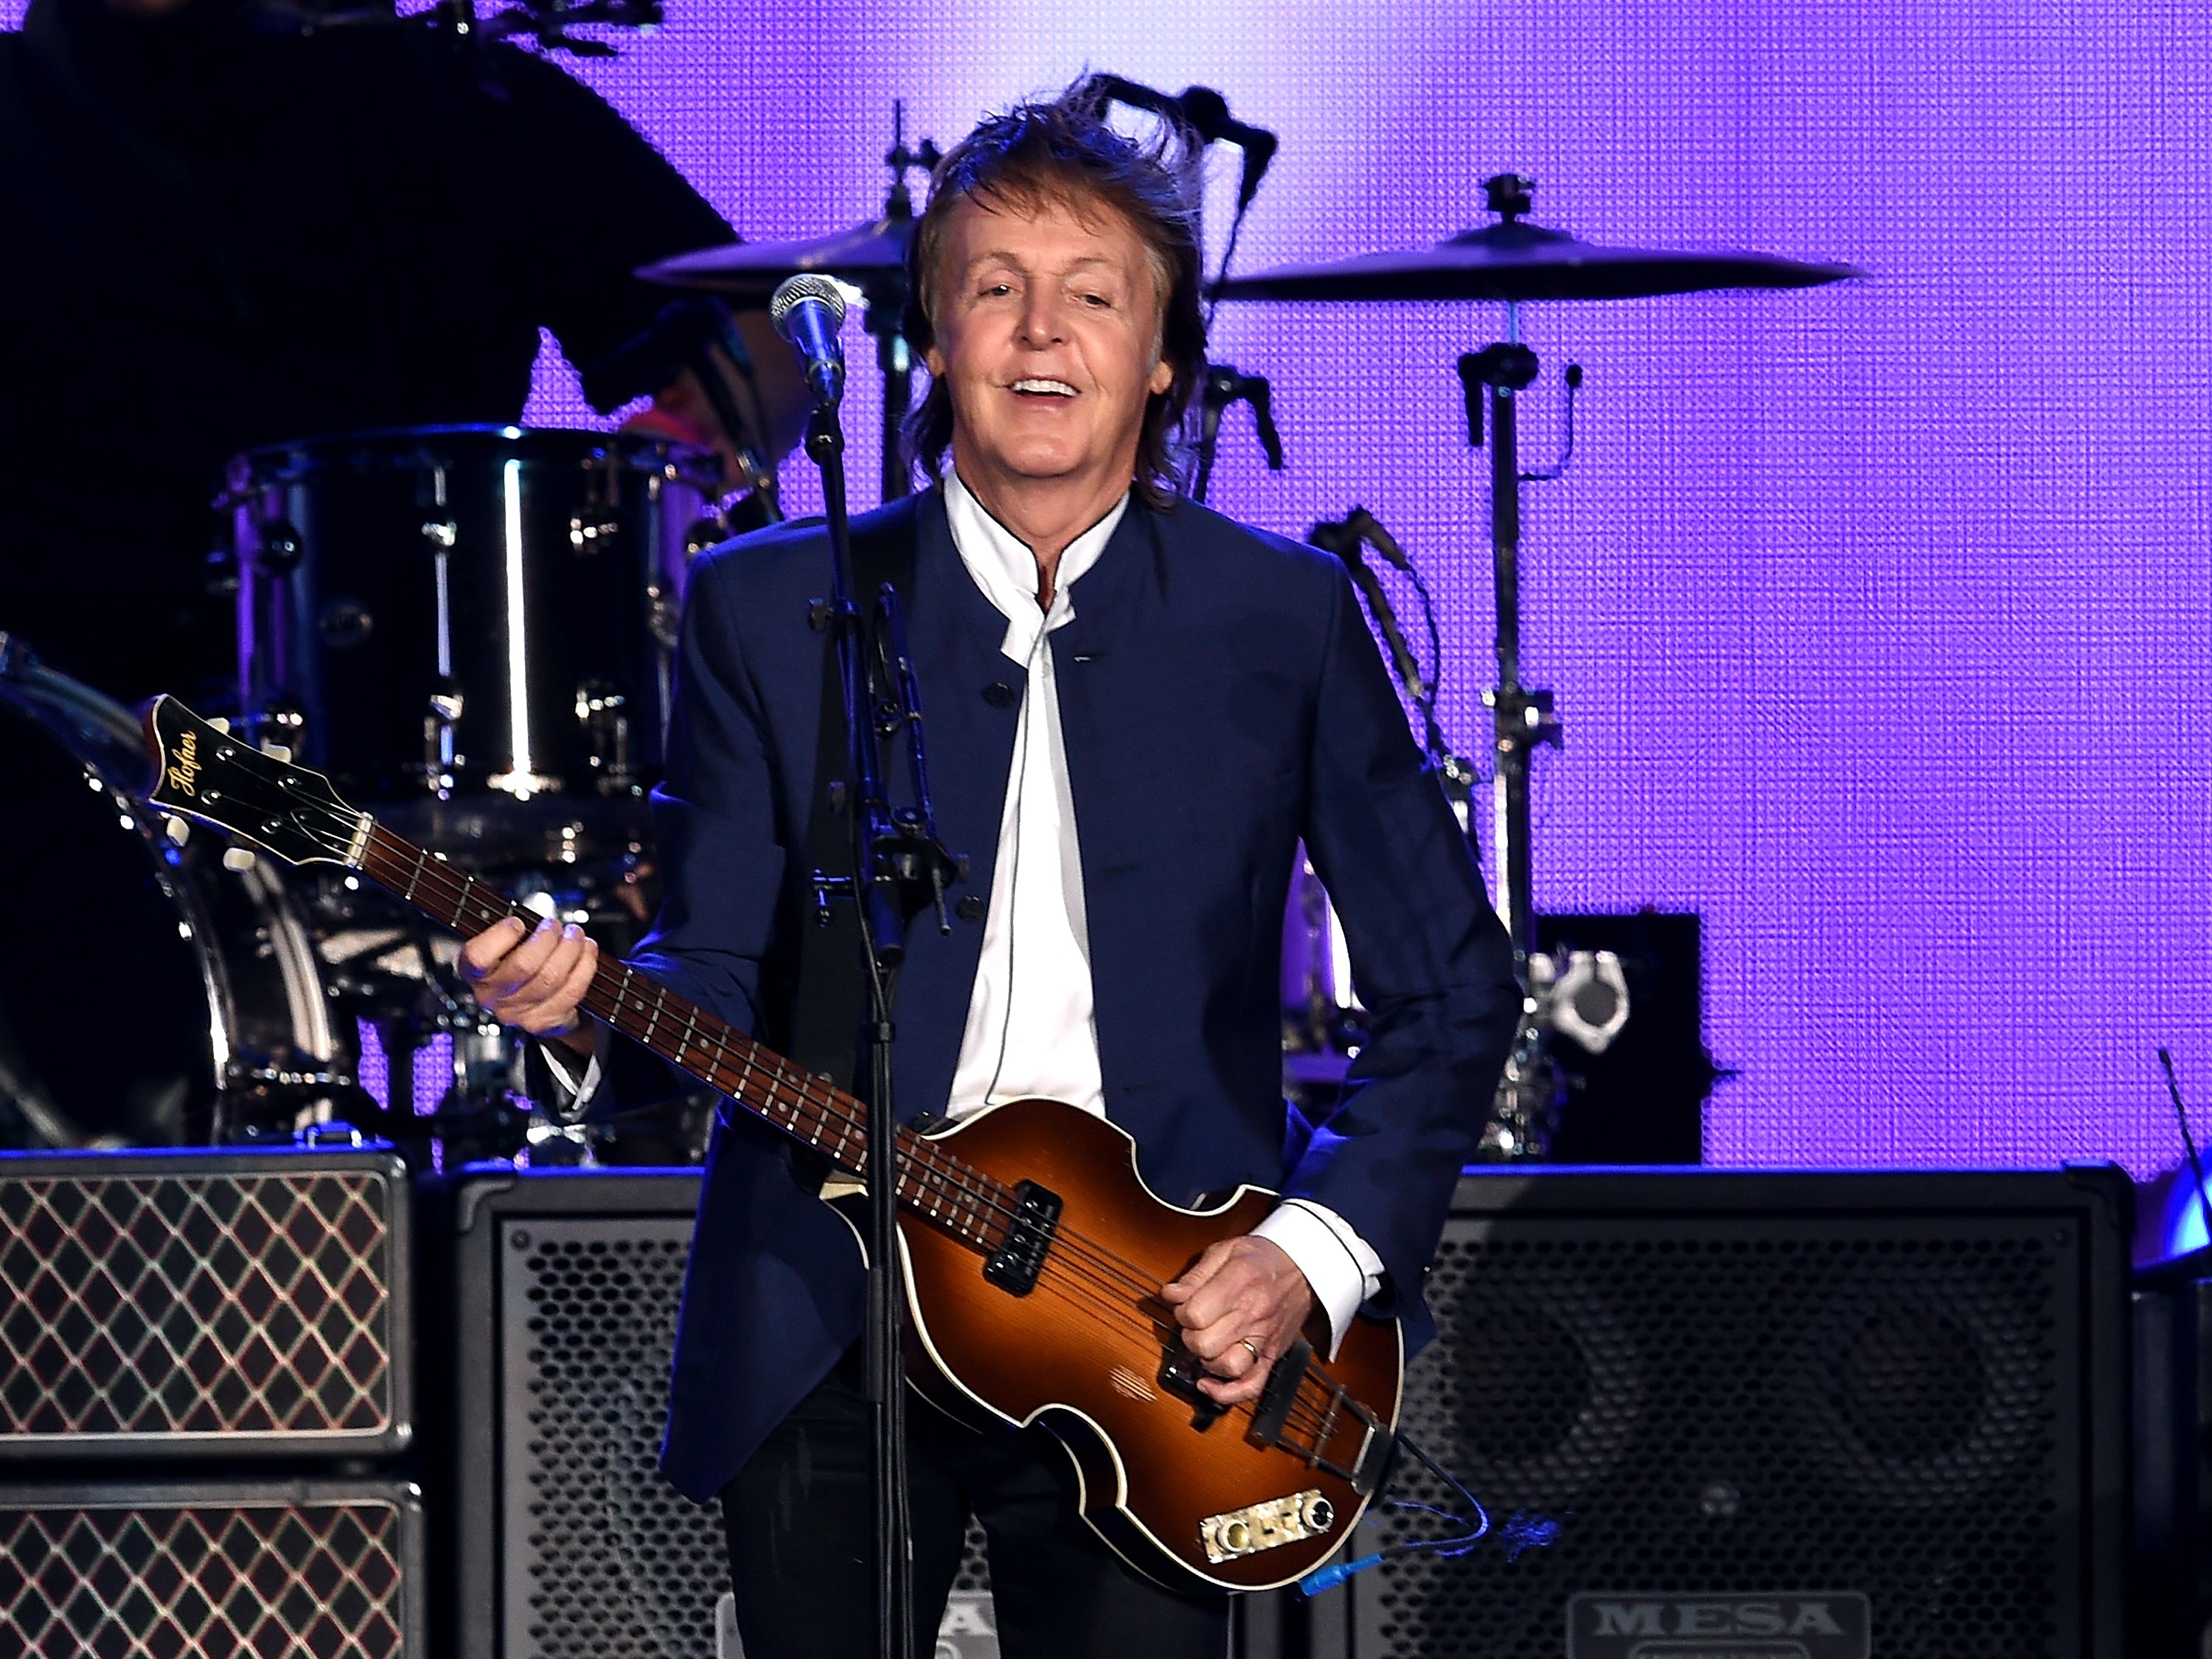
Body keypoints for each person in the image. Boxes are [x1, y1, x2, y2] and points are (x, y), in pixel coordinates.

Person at [458, 80, 1519, 1659]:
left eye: (1094, 298)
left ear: (1162, 360)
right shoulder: (768, 604)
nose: (1041, 335)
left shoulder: (1277, 616)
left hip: (1163, 1337)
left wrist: (1308, 1256)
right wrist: (579, 1014)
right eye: (995, 293)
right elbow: (714, 966)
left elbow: (1453, 987)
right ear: (937, 346)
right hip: (831, 1319)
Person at [0, 0, 806, 702]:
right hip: (56, 728)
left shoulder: (466, 102)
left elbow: (769, 331)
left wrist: (678, 456)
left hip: (415, 723)